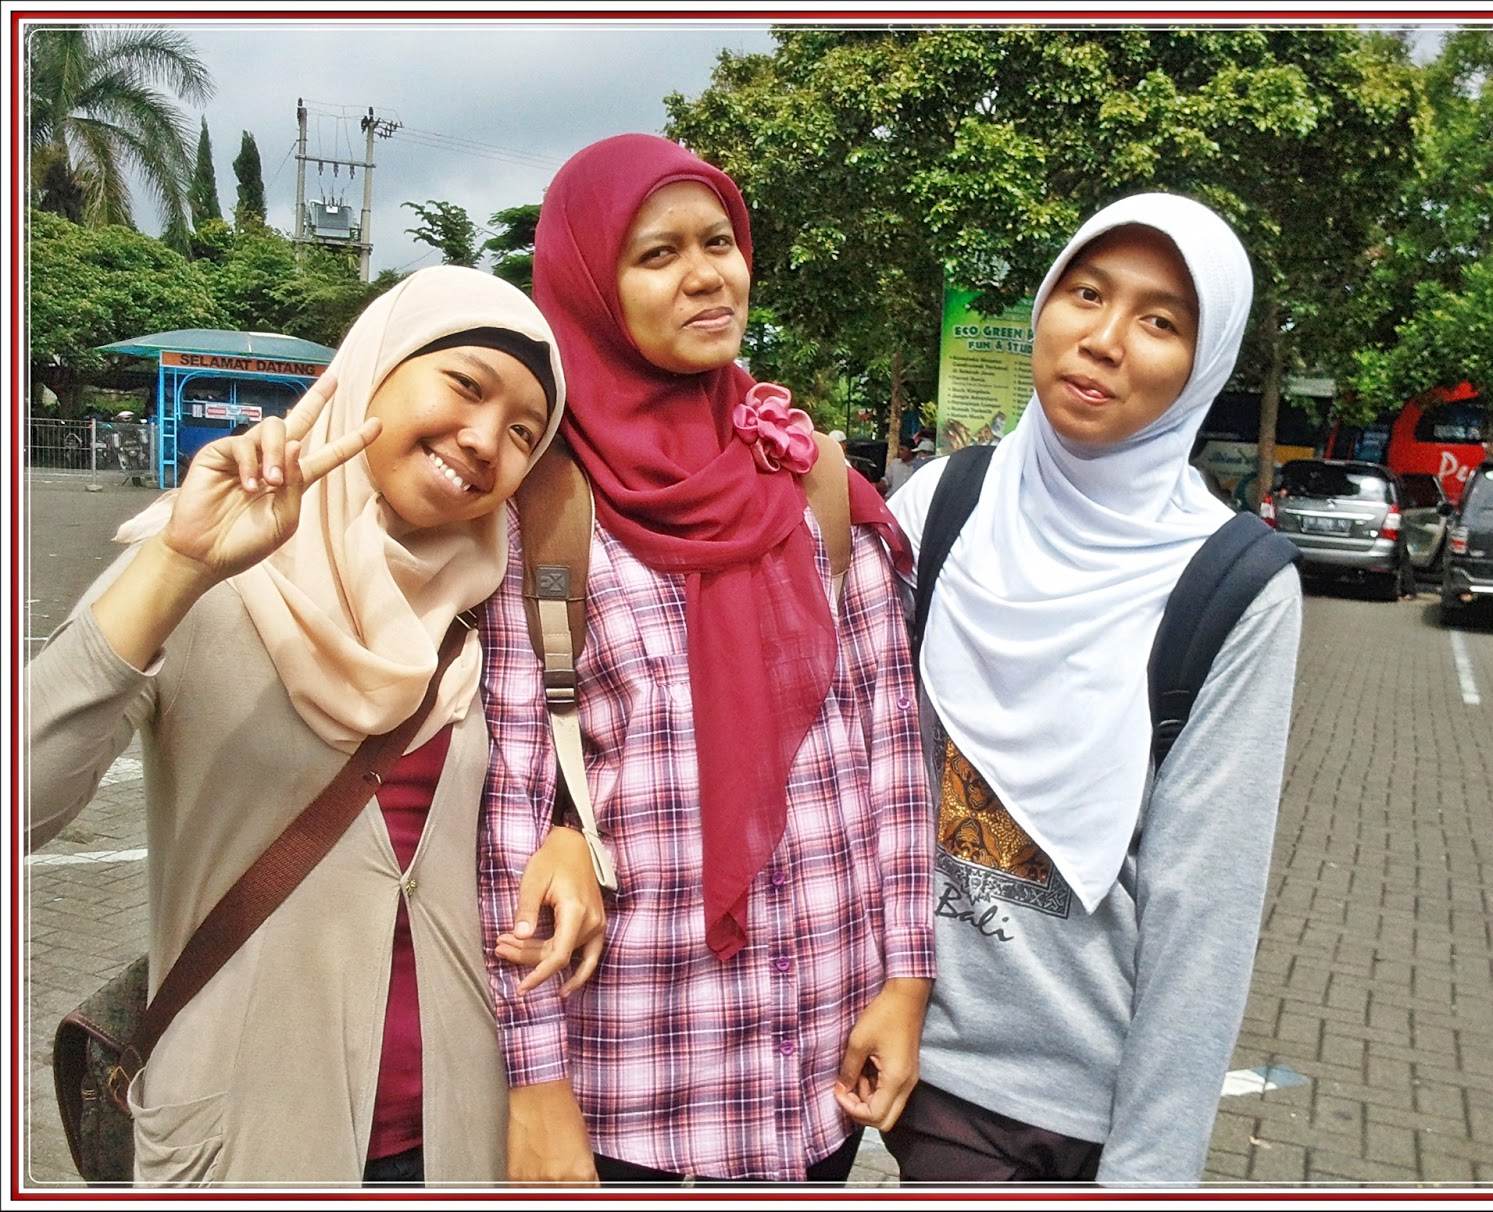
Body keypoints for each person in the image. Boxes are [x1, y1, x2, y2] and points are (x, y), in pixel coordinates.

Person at [27, 266, 605, 1187]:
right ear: (372, 368)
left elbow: (550, 787)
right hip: (242, 1146)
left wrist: (571, 836)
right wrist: (178, 567)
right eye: (465, 386)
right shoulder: (207, 574)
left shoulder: (493, 611)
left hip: (460, 1146)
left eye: (523, 433)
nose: (485, 440)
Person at [478, 133, 935, 1186]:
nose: (704, 275)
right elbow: (507, 817)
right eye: (656, 254)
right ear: (590, 288)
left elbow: (888, 755)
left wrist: (905, 978)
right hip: (640, 1075)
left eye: (718, 242)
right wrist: (535, 1085)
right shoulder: (543, 508)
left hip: (813, 1056)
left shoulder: (807, 476)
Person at [882, 194, 1303, 1185]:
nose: (1104, 339)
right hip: (918, 1061)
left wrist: (1151, 1169)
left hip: (1088, 1094)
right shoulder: (946, 504)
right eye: (1085, 293)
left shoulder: (1231, 582)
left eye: (1159, 321)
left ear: (1204, 362)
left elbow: (1205, 903)